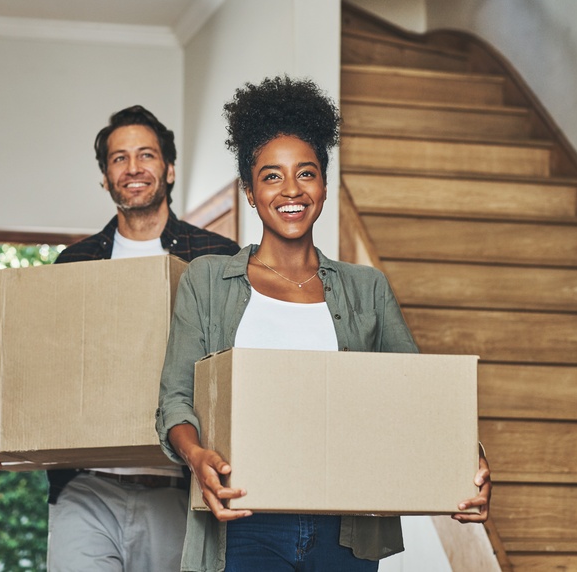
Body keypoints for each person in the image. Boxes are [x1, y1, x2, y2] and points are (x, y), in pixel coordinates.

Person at [156, 76, 491, 572]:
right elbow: (175, 398)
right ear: (249, 192)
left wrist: (470, 461)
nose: (291, 190)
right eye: (271, 177)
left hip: (347, 529)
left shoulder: (366, 288)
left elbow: (420, 398)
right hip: (243, 524)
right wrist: (195, 458)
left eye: (305, 173)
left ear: (325, 186)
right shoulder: (208, 281)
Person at [0, 105, 241, 571]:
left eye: (146, 155)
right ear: (104, 177)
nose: (133, 169)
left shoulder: (216, 258)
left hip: (179, 488)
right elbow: (43, 369)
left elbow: (232, 369)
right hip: (86, 488)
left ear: (168, 169)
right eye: (119, 159)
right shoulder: (76, 262)